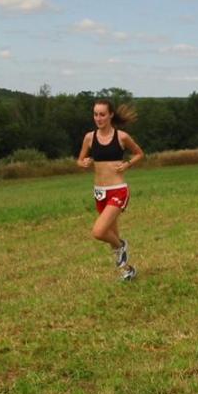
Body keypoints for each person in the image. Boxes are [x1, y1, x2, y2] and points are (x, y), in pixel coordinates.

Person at [77, 99, 145, 281]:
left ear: (110, 115)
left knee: (99, 232)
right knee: (111, 234)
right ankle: (127, 270)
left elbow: (139, 153)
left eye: (102, 114)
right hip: (99, 192)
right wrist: (84, 163)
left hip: (118, 190)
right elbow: (79, 160)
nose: (98, 118)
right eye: (95, 114)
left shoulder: (121, 137)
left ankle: (122, 246)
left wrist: (127, 164)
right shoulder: (89, 138)